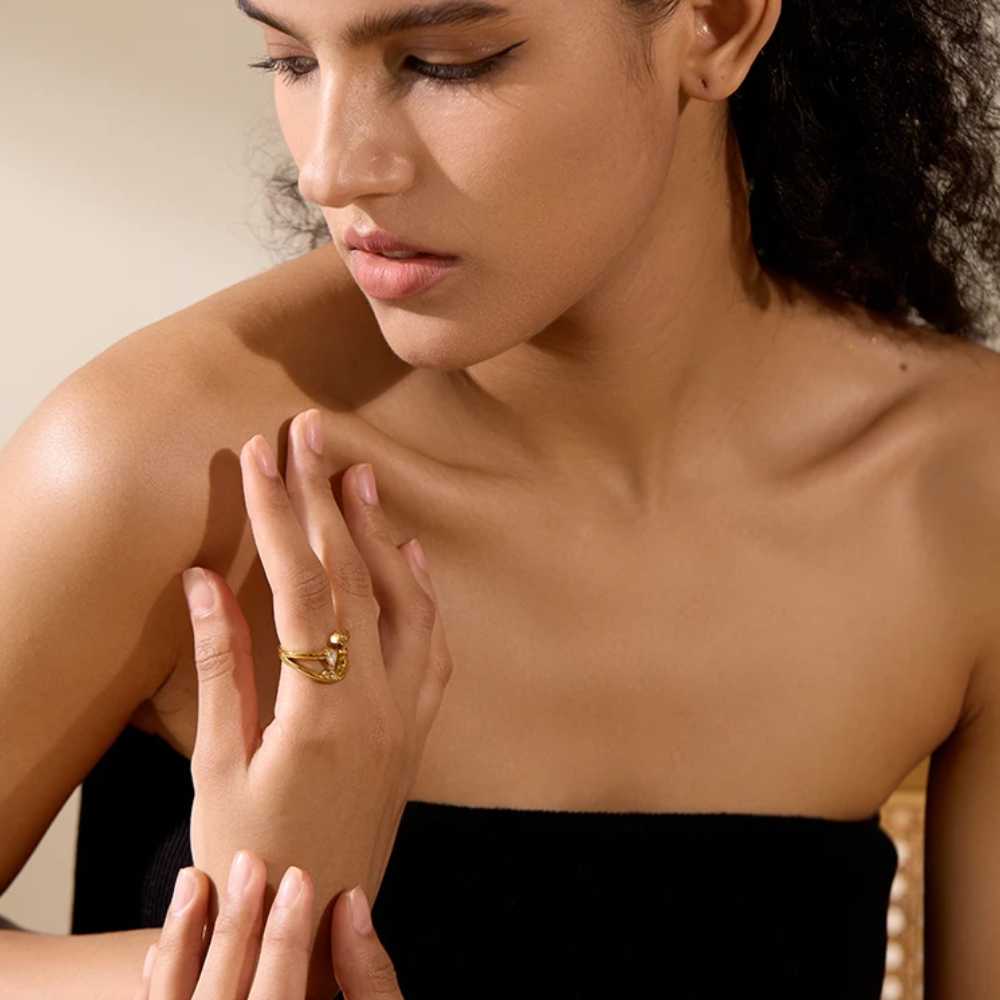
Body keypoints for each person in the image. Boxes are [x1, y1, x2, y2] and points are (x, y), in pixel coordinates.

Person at [2, 0, 1000, 996]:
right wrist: (235, 964)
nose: (332, 170)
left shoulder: (960, 489)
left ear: (718, 24)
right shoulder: (162, 465)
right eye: (291, 60)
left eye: (443, 63)